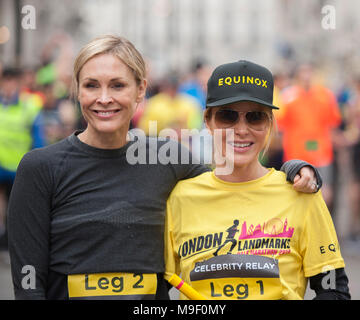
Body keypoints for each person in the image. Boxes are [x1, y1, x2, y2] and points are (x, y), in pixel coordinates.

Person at [8, 36, 321, 300]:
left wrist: (294, 169)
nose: (104, 98)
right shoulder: (40, 168)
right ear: (77, 90)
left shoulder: (167, 156)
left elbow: (233, 182)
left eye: (118, 85)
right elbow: (28, 281)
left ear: (141, 90)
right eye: (92, 86)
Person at [164, 60, 350, 300]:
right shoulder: (179, 198)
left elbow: (334, 289)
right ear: (208, 121)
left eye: (255, 117)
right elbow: (157, 290)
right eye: (227, 116)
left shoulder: (301, 194)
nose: (241, 129)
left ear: (270, 124)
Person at [276, 64, 343, 212]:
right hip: (296, 152)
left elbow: (333, 122)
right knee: (295, 191)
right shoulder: (288, 97)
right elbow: (280, 124)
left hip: (321, 151)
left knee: (324, 191)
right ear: (298, 76)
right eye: (303, 73)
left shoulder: (326, 95)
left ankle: (321, 224)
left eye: (309, 72)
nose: (306, 76)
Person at [0, 68, 45, 249]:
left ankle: (11, 239)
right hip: (0, 164)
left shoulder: (30, 105)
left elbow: (38, 137)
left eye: (13, 81)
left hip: (19, 166)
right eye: (6, 81)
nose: (9, 85)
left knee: (15, 206)